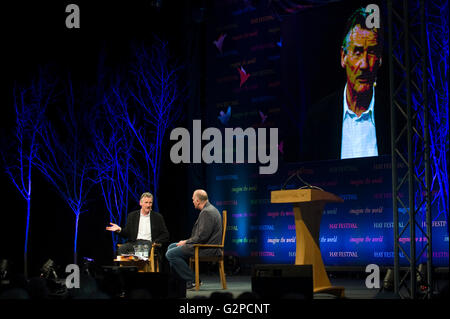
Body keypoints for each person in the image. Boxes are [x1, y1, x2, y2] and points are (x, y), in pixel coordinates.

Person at [301, 7, 390, 161]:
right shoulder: (317, 119)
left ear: (380, 60)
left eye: (371, 52)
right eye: (357, 52)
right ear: (343, 57)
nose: (364, 64)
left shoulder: (396, 116)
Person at [165, 189, 222, 290]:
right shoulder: (208, 210)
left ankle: (193, 280)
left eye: (193, 199)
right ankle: (180, 281)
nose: (192, 202)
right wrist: (186, 242)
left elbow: (202, 237)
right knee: (171, 247)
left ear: (198, 200)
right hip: (202, 245)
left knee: (170, 254)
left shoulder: (207, 212)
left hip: (205, 248)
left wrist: (186, 242)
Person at [106, 192, 170, 256]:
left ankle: (138, 263)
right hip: (135, 243)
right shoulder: (132, 216)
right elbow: (127, 233)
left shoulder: (157, 217)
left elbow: (165, 234)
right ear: (140, 203)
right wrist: (119, 229)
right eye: (146, 202)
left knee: (143, 249)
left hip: (149, 243)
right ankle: (128, 265)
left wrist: (155, 242)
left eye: (150, 203)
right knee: (122, 249)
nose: (148, 205)